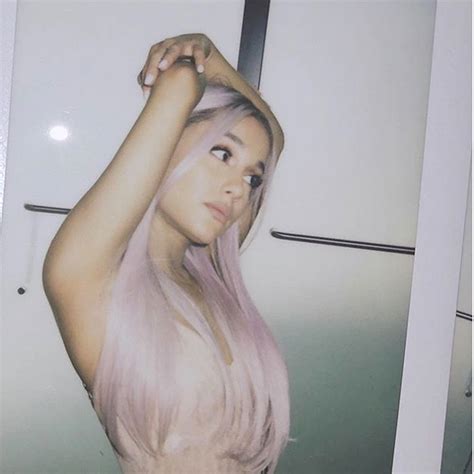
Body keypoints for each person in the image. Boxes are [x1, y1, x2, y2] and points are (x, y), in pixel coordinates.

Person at [42, 33, 290, 473]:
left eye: (252, 178)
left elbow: (271, 136)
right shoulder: (91, 280)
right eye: (222, 153)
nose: (238, 189)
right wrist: (186, 69)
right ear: (164, 142)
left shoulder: (212, 272)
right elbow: (178, 88)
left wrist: (209, 50)